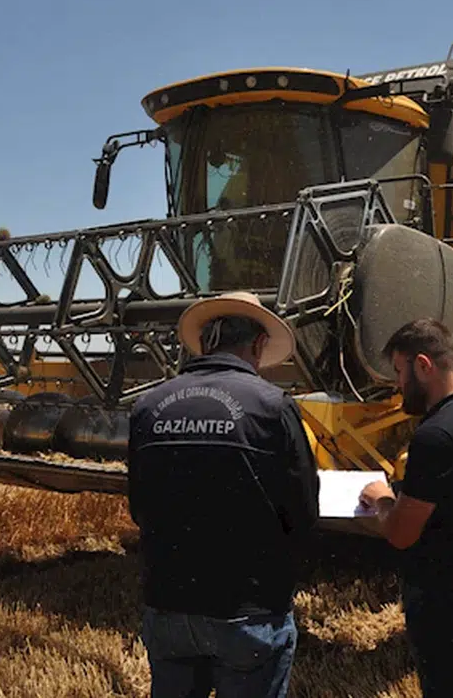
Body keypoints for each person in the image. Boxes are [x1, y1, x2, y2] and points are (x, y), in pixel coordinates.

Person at [127, 291, 320, 698]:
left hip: (168, 605)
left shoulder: (148, 406)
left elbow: (139, 507)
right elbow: (301, 513)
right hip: (246, 609)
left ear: (206, 342)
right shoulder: (272, 407)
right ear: (256, 344)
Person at [357, 318, 453, 698]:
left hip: (444, 597)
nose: (397, 384)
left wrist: (380, 497)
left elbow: (401, 533)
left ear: (423, 366)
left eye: (399, 371)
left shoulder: (436, 435)